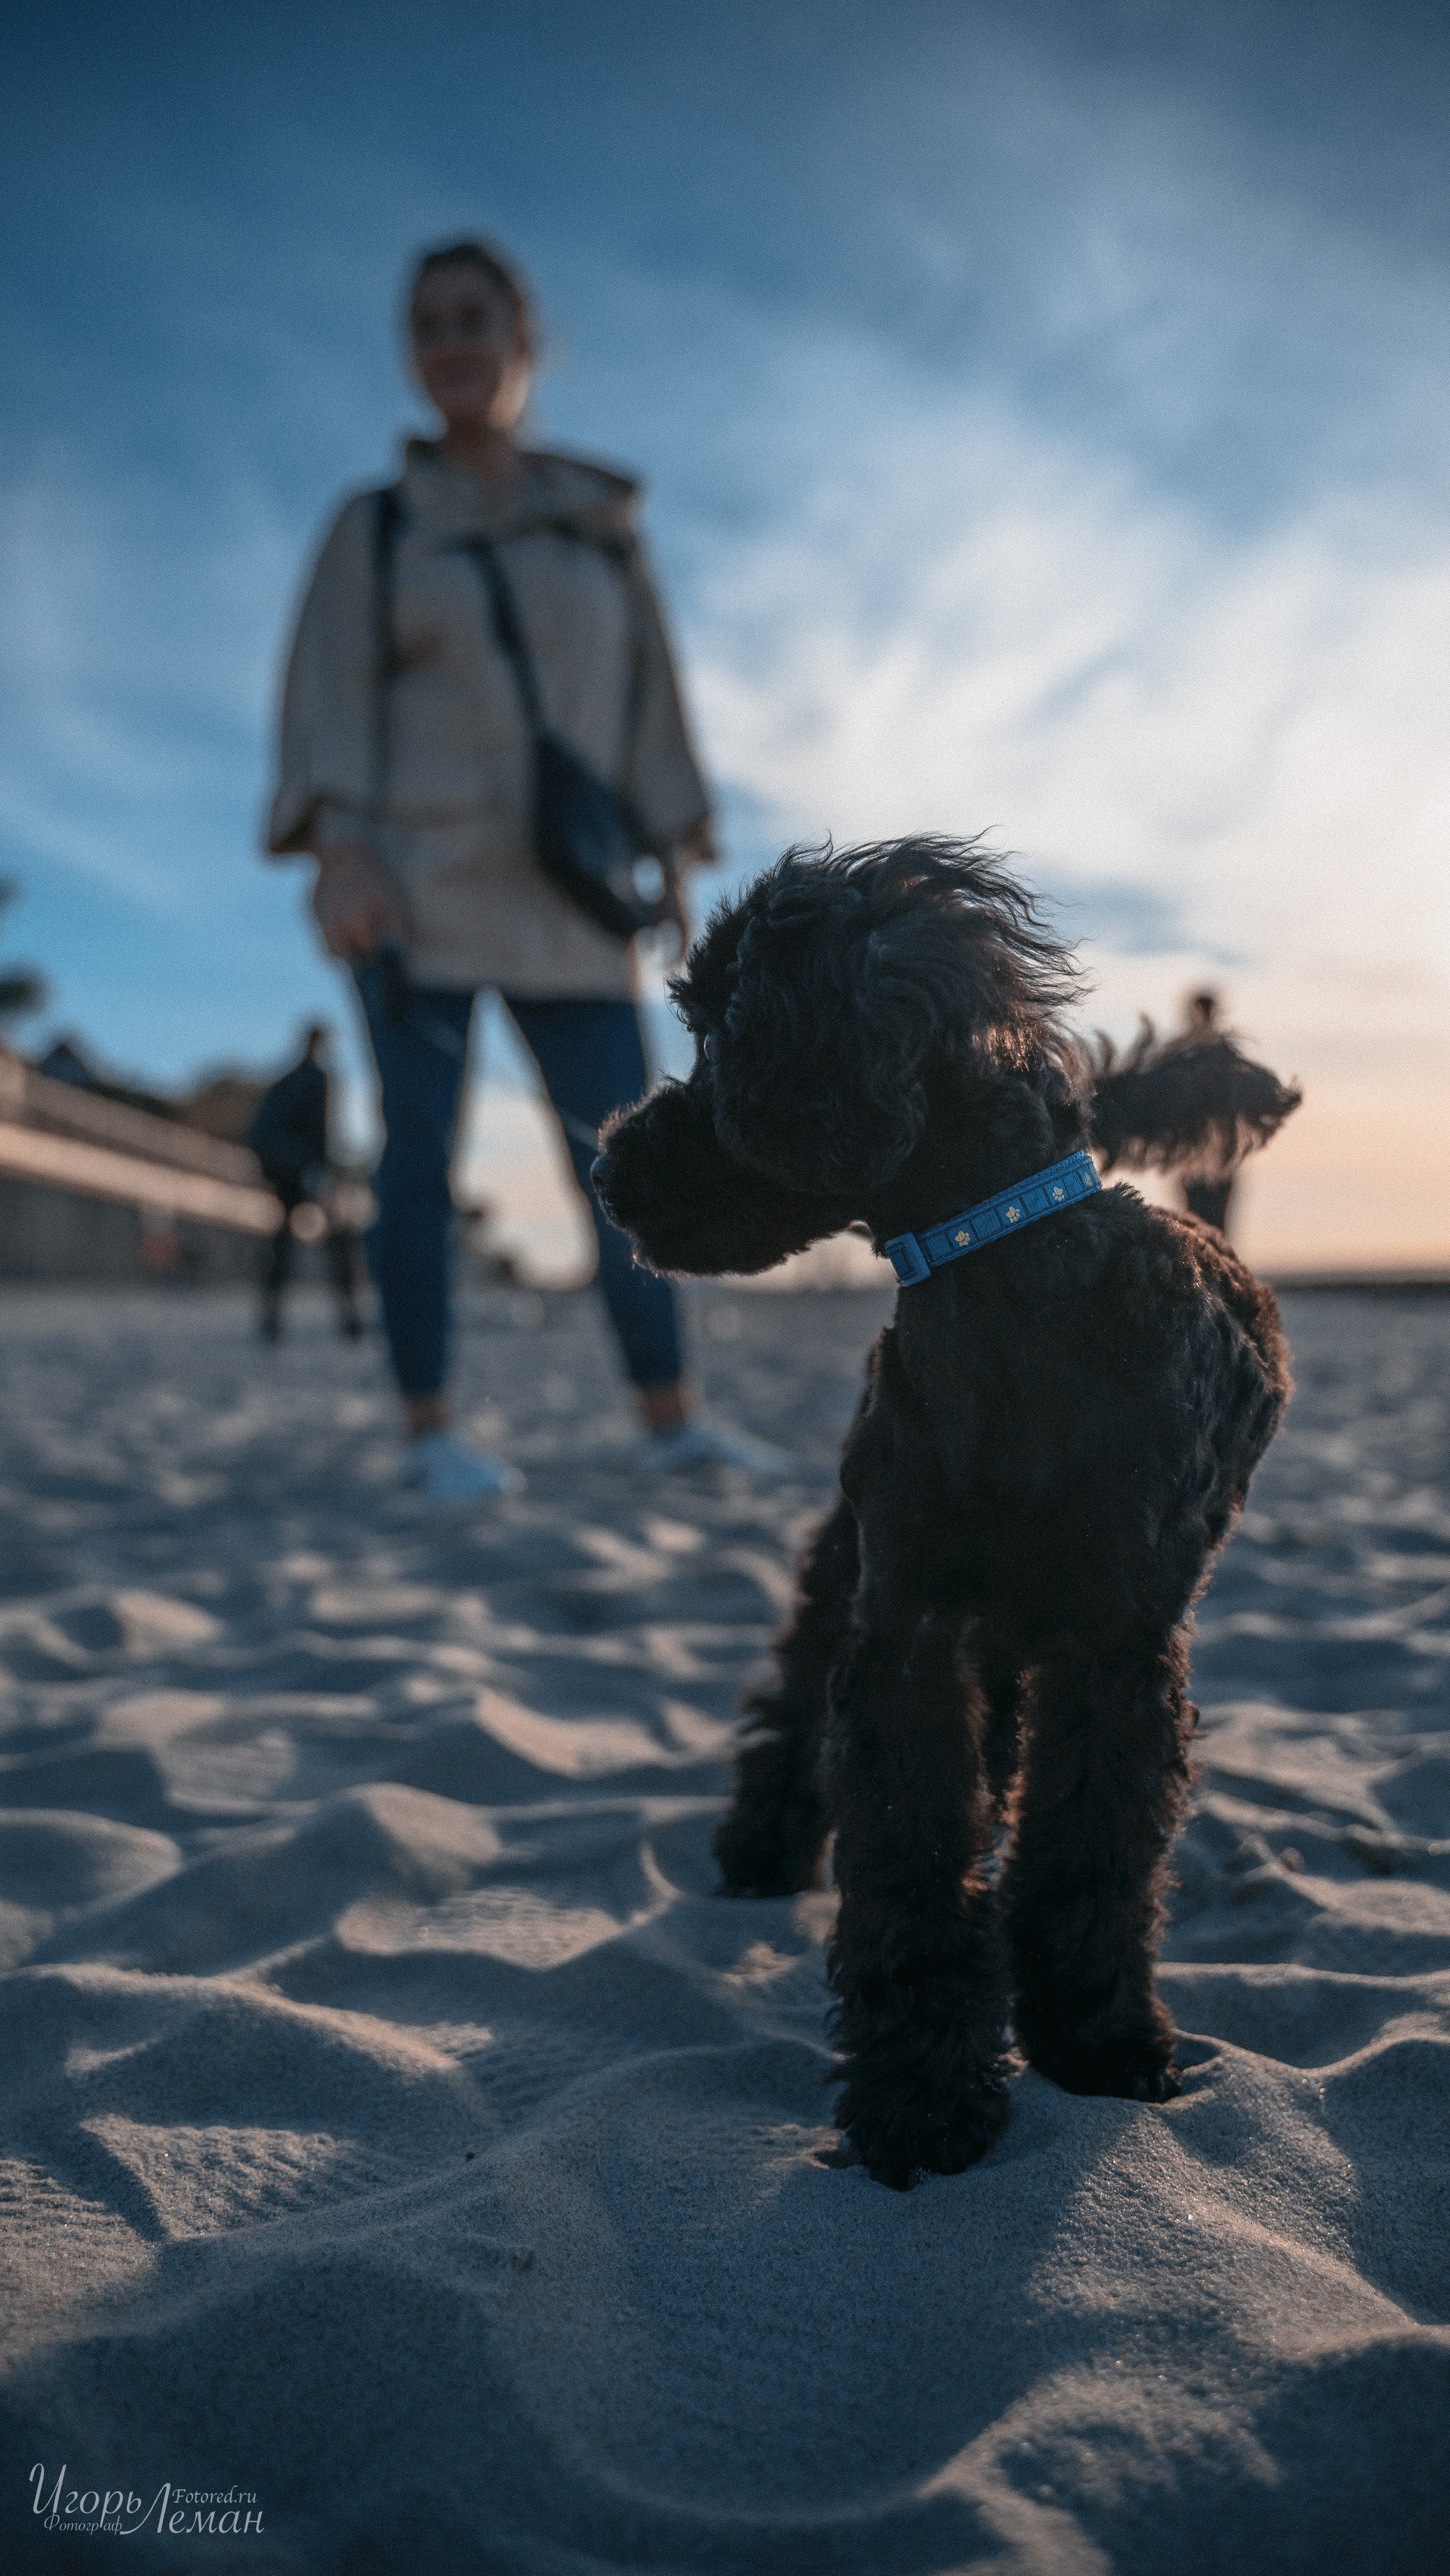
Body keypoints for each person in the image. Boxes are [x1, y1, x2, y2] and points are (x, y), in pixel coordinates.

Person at [265, 238, 786, 1499]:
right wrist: (341, 848)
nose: (452, 340)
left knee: (628, 1159)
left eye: (475, 318)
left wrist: (670, 851)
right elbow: (324, 692)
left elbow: (650, 697)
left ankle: (673, 1415)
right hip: (415, 882)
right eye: (428, 322)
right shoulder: (377, 526)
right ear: (412, 351)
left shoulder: (603, 528)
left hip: (571, 890)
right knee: (415, 1158)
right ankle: (429, 1426)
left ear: (525, 341)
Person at [247, 1024, 364, 1341]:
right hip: (303, 1172)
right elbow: (310, 1134)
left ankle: (274, 1320)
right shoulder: (309, 1079)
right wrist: (307, 1166)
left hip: (298, 1171)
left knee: (287, 1246)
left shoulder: (292, 1079)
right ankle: (349, 1318)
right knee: (334, 1242)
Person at [1178, 991, 1236, 1234]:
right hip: (1193, 1161)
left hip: (1219, 1160)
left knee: (1216, 1231)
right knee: (1196, 1229)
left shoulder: (1222, 1053)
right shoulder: (1183, 1054)